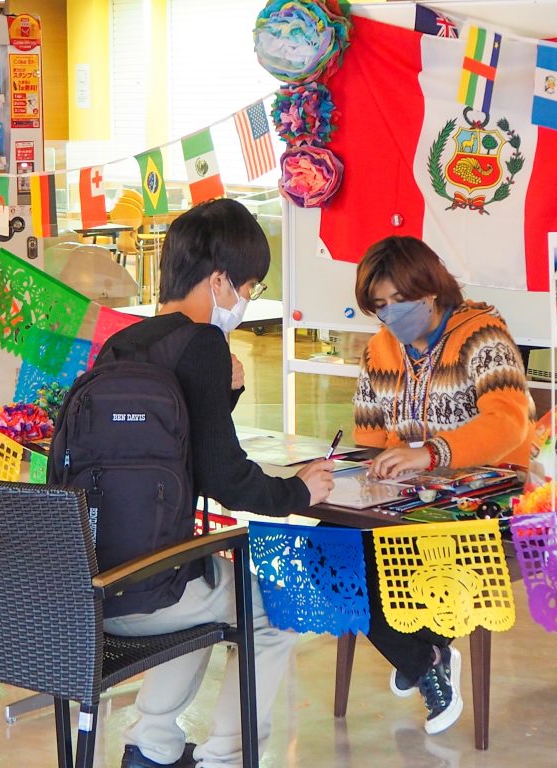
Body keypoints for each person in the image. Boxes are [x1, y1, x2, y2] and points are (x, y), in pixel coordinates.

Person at [97, 198, 335, 768]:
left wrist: (221, 397)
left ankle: (152, 747)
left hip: (92, 582)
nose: (246, 299)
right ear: (220, 279)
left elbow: (164, 447)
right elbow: (224, 478)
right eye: (248, 285)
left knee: (211, 587)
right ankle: (228, 757)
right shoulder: (201, 342)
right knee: (277, 608)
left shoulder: (123, 343)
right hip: (153, 589)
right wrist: (298, 492)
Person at [352, 235, 531, 735]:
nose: (389, 316)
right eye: (379, 306)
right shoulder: (378, 350)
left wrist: (429, 454)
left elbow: (509, 425)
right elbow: (369, 438)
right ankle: (423, 654)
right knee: (329, 545)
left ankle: (420, 650)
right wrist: (365, 472)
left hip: (490, 498)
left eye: (396, 302)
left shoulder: (483, 336)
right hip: (410, 500)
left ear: (429, 291)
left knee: (392, 555)